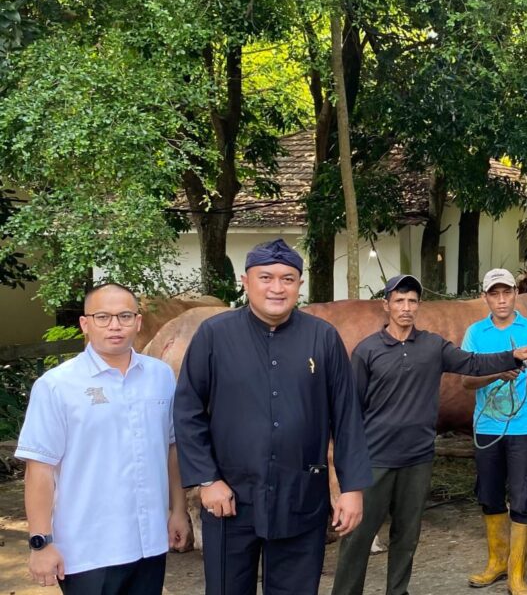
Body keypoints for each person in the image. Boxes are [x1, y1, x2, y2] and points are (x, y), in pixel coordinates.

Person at [173, 239, 372, 595]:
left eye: (288, 279)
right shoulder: (214, 336)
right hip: (229, 499)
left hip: (300, 497)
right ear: (245, 282)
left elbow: (347, 416)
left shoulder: (323, 337)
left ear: (299, 285)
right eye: (266, 277)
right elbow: (188, 410)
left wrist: (352, 488)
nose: (277, 288)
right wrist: (206, 480)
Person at [332, 274, 527, 595]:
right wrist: (349, 468)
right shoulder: (367, 350)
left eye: (412, 301)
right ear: (385, 305)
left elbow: (472, 363)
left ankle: (397, 591)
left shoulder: (432, 345)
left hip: (417, 459)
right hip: (374, 460)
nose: (405, 307)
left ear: (419, 306)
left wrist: (512, 356)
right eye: (399, 300)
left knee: (406, 536)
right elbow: (350, 410)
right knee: (358, 537)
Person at [16, 283, 189, 593]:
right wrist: (40, 543)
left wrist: (178, 510)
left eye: (124, 316)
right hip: (86, 551)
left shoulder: (160, 376)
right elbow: (39, 469)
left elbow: (171, 448)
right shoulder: (56, 386)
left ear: (137, 322)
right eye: (102, 317)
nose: (115, 326)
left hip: (149, 543)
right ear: (85, 324)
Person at [460, 268, 527, 595]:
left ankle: (516, 575)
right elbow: (466, 380)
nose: (501, 300)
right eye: (494, 293)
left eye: (507, 292)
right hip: (486, 427)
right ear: (485, 297)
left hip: (523, 427)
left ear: (515, 293)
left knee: (523, 497)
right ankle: (496, 564)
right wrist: (497, 372)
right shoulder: (476, 333)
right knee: (489, 496)